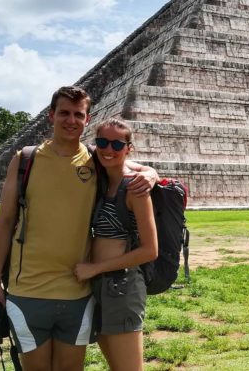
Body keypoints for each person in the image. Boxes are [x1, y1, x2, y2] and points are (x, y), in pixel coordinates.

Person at [0, 86, 158, 371]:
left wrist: (151, 173)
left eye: (78, 114)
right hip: (27, 290)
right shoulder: (26, 159)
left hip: (77, 292)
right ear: (51, 115)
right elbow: (3, 223)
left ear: (87, 119)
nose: (71, 120)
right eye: (63, 112)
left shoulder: (94, 160)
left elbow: (125, 163)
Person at [74, 118, 158, 371]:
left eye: (116, 144)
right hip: (98, 285)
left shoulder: (135, 188)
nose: (108, 149)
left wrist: (95, 269)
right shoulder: (101, 181)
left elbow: (149, 250)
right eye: (102, 142)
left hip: (121, 285)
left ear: (128, 148)